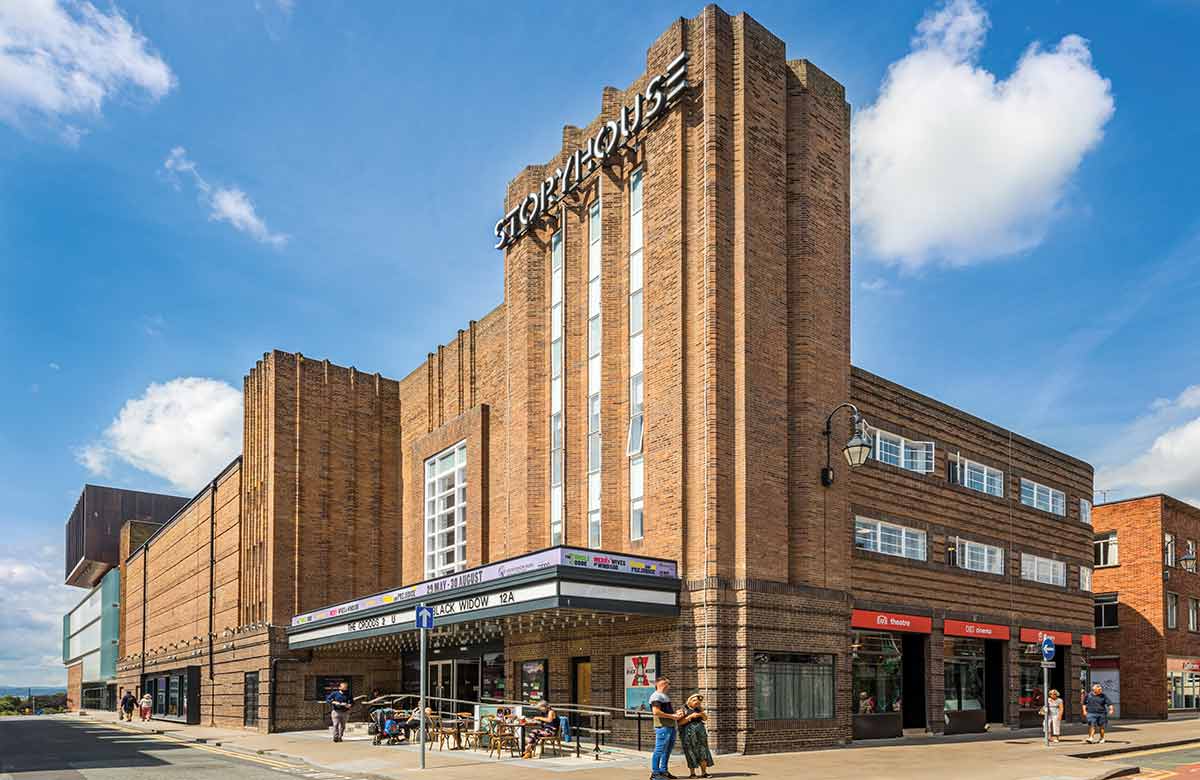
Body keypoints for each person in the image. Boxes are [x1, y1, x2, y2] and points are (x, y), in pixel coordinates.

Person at [649, 677, 681, 780]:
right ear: (663, 684)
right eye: (668, 684)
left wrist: (676, 714)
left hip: (670, 726)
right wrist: (673, 716)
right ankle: (655, 773)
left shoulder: (664, 696)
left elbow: (665, 711)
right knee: (659, 750)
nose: (669, 686)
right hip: (663, 727)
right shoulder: (656, 696)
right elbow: (656, 712)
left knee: (667, 750)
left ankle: (663, 771)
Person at [678, 694, 714, 779]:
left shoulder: (699, 709)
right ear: (689, 701)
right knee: (690, 752)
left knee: (703, 751)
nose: (696, 703)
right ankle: (692, 773)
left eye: (698, 702)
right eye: (694, 701)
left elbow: (705, 719)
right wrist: (690, 716)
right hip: (688, 733)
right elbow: (680, 723)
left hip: (700, 733)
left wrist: (702, 714)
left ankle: (704, 772)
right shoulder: (683, 709)